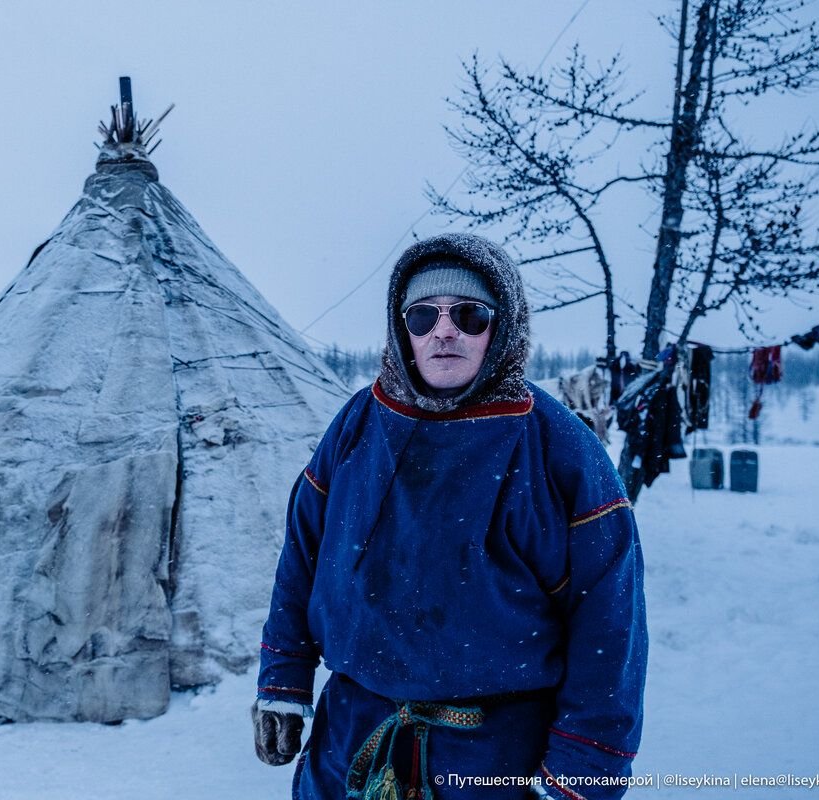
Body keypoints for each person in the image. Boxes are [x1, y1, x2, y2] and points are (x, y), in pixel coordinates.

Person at [252, 233, 647, 799]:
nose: (444, 331)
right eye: (421, 317)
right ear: (400, 329)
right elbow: (303, 556)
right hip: (350, 748)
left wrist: (580, 773)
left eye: (469, 314)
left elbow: (610, 625)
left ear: (502, 325)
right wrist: (282, 678)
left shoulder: (558, 448)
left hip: (493, 763)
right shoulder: (358, 426)